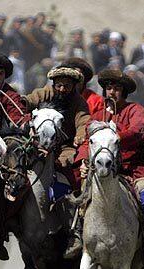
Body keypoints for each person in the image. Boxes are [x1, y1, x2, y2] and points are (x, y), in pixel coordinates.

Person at [72, 69, 144, 267]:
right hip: (100, 169)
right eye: (109, 88)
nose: (112, 92)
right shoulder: (96, 115)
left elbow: (137, 131)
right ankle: (78, 235)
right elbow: (87, 142)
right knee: (76, 189)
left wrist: (114, 137)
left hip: (132, 168)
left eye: (117, 89)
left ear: (124, 92)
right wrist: (83, 162)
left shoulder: (136, 110)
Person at [23, 66, 91, 256]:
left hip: (64, 148)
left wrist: (79, 136)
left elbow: (83, 123)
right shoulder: (44, 93)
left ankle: (73, 232)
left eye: (67, 86)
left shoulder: (79, 103)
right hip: (36, 145)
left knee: (66, 183)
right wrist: (21, 104)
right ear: (54, 84)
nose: (62, 89)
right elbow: (27, 101)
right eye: (59, 85)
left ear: (73, 87)